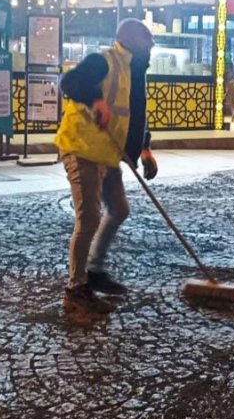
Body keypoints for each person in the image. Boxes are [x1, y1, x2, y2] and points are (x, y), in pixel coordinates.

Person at [55, 18, 159, 319]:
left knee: (120, 209)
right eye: (147, 40)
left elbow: (134, 112)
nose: (151, 46)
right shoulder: (103, 61)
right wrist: (96, 100)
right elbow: (71, 83)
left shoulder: (135, 71)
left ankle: (95, 270)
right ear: (130, 41)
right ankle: (76, 290)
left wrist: (143, 147)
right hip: (81, 147)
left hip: (107, 153)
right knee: (88, 217)